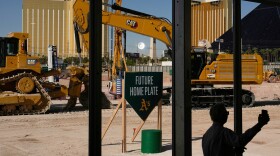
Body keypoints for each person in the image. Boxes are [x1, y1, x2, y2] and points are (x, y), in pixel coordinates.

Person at [202, 103, 270, 156]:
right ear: (223, 115)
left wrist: (232, 151)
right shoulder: (224, 132)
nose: (227, 115)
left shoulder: (206, 135)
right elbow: (240, 141)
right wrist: (260, 124)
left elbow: (217, 151)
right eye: (226, 113)